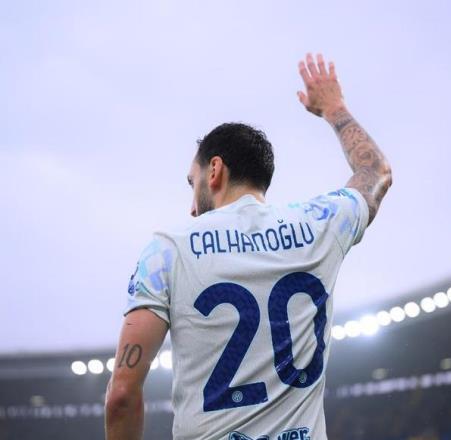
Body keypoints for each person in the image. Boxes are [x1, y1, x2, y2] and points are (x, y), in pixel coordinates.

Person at [105, 53, 392, 440]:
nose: (192, 207)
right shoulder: (319, 225)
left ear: (214, 170)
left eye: (192, 183)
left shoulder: (167, 250)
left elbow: (122, 395)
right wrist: (334, 108)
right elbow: (375, 172)